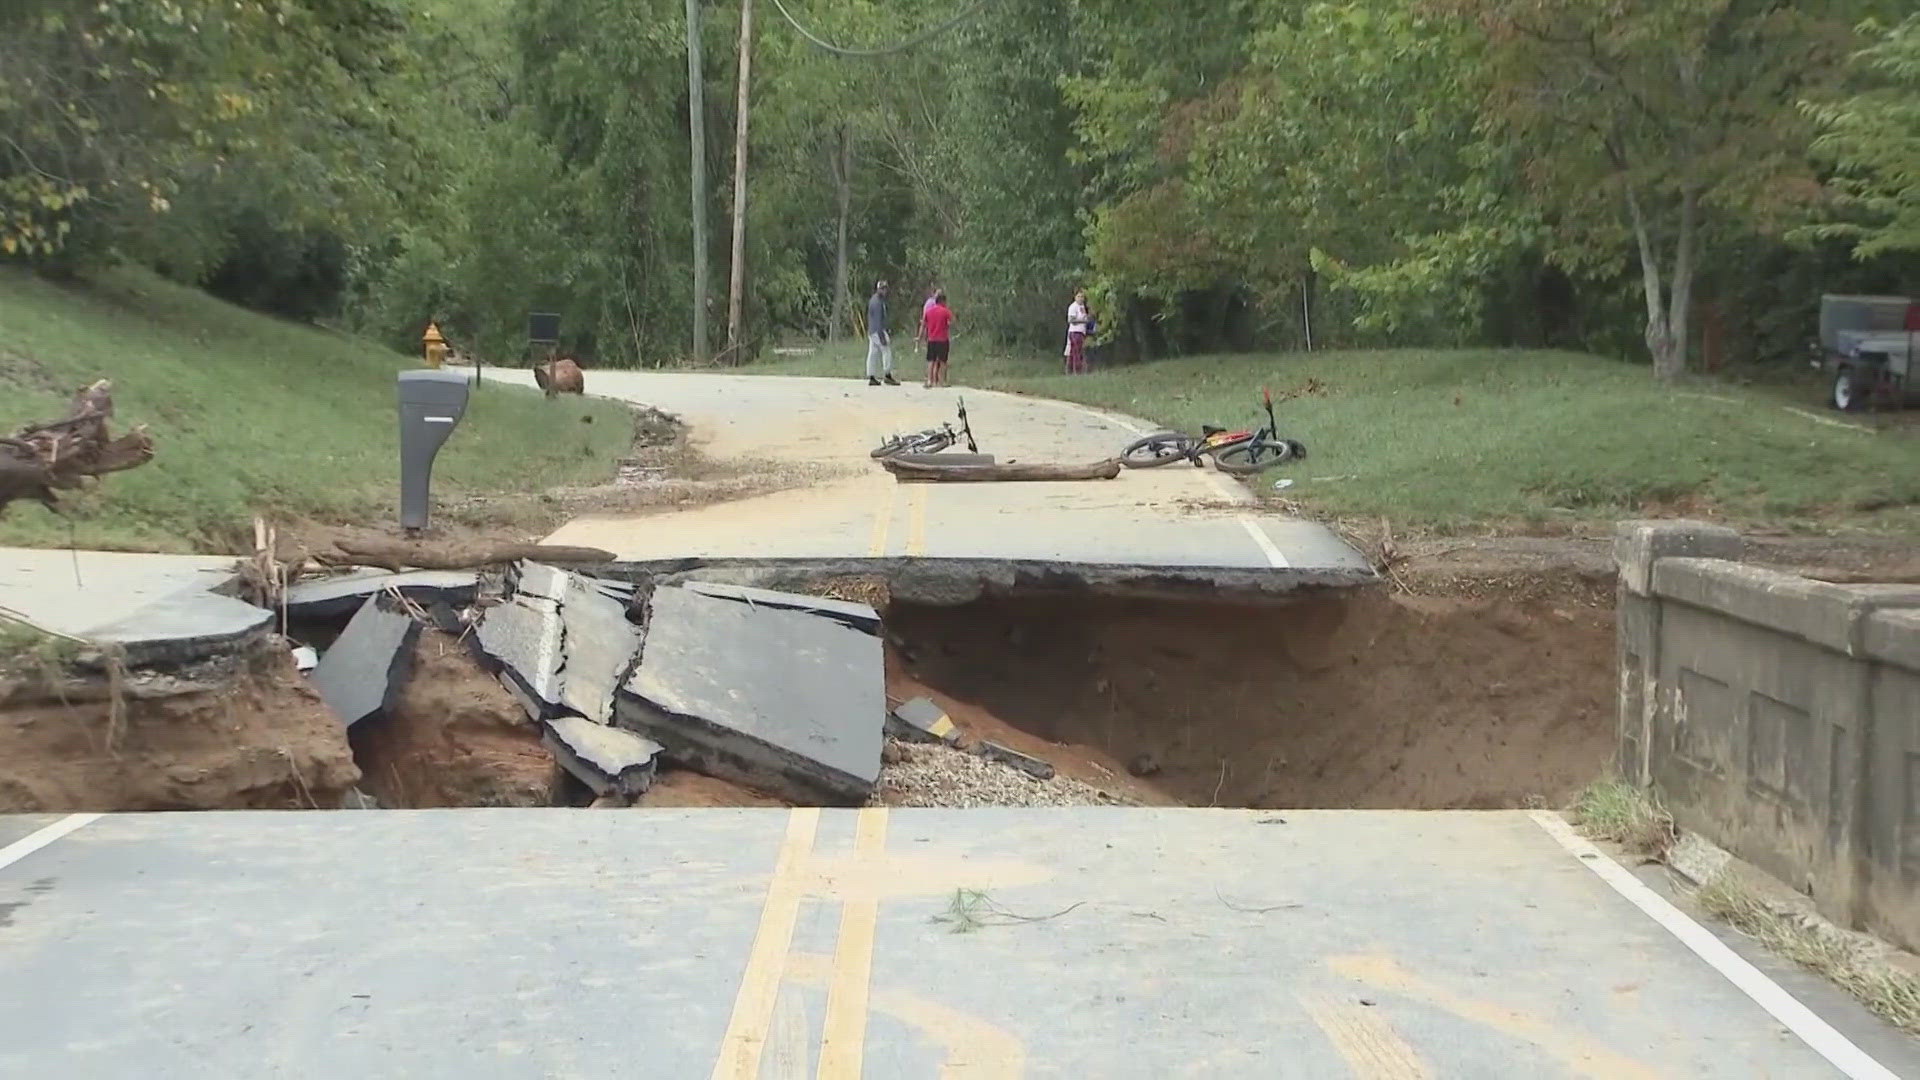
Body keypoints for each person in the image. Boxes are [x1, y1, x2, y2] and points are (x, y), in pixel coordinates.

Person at [866, 280, 897, 386]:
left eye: (885, 288)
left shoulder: (876, 300)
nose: (884, 291)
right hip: (877, 330)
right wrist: (882, 335)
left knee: (873, 353)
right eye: (882, 289)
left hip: (872, 330)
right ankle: (887, 374)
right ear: (878, 289)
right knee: (886, 350)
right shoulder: (877, 302)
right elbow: (877, 320)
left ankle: (871, 376)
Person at [923, 290, 953, 388]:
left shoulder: (929, 311)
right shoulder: (945, 311)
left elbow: (925, 323)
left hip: (931, 339)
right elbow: (951, 322)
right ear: (942, 301)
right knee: (943, 361)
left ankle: (929, 381)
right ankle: (942, 381)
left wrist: (924, 336)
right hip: (942, 339)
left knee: (931, 361)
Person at [1065, 289, 1091, 375]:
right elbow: (1071, 320)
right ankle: (1077, 371)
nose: (1081, 298)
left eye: (1082, 297)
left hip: (1081, 332)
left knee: (1074, 352)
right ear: (1075, 297)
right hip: (1075, 332)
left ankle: (1070, 371)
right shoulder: (1073, 307)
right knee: (1076, 352)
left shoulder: (1082, 307)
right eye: (1079, 296)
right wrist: (1083, 321)